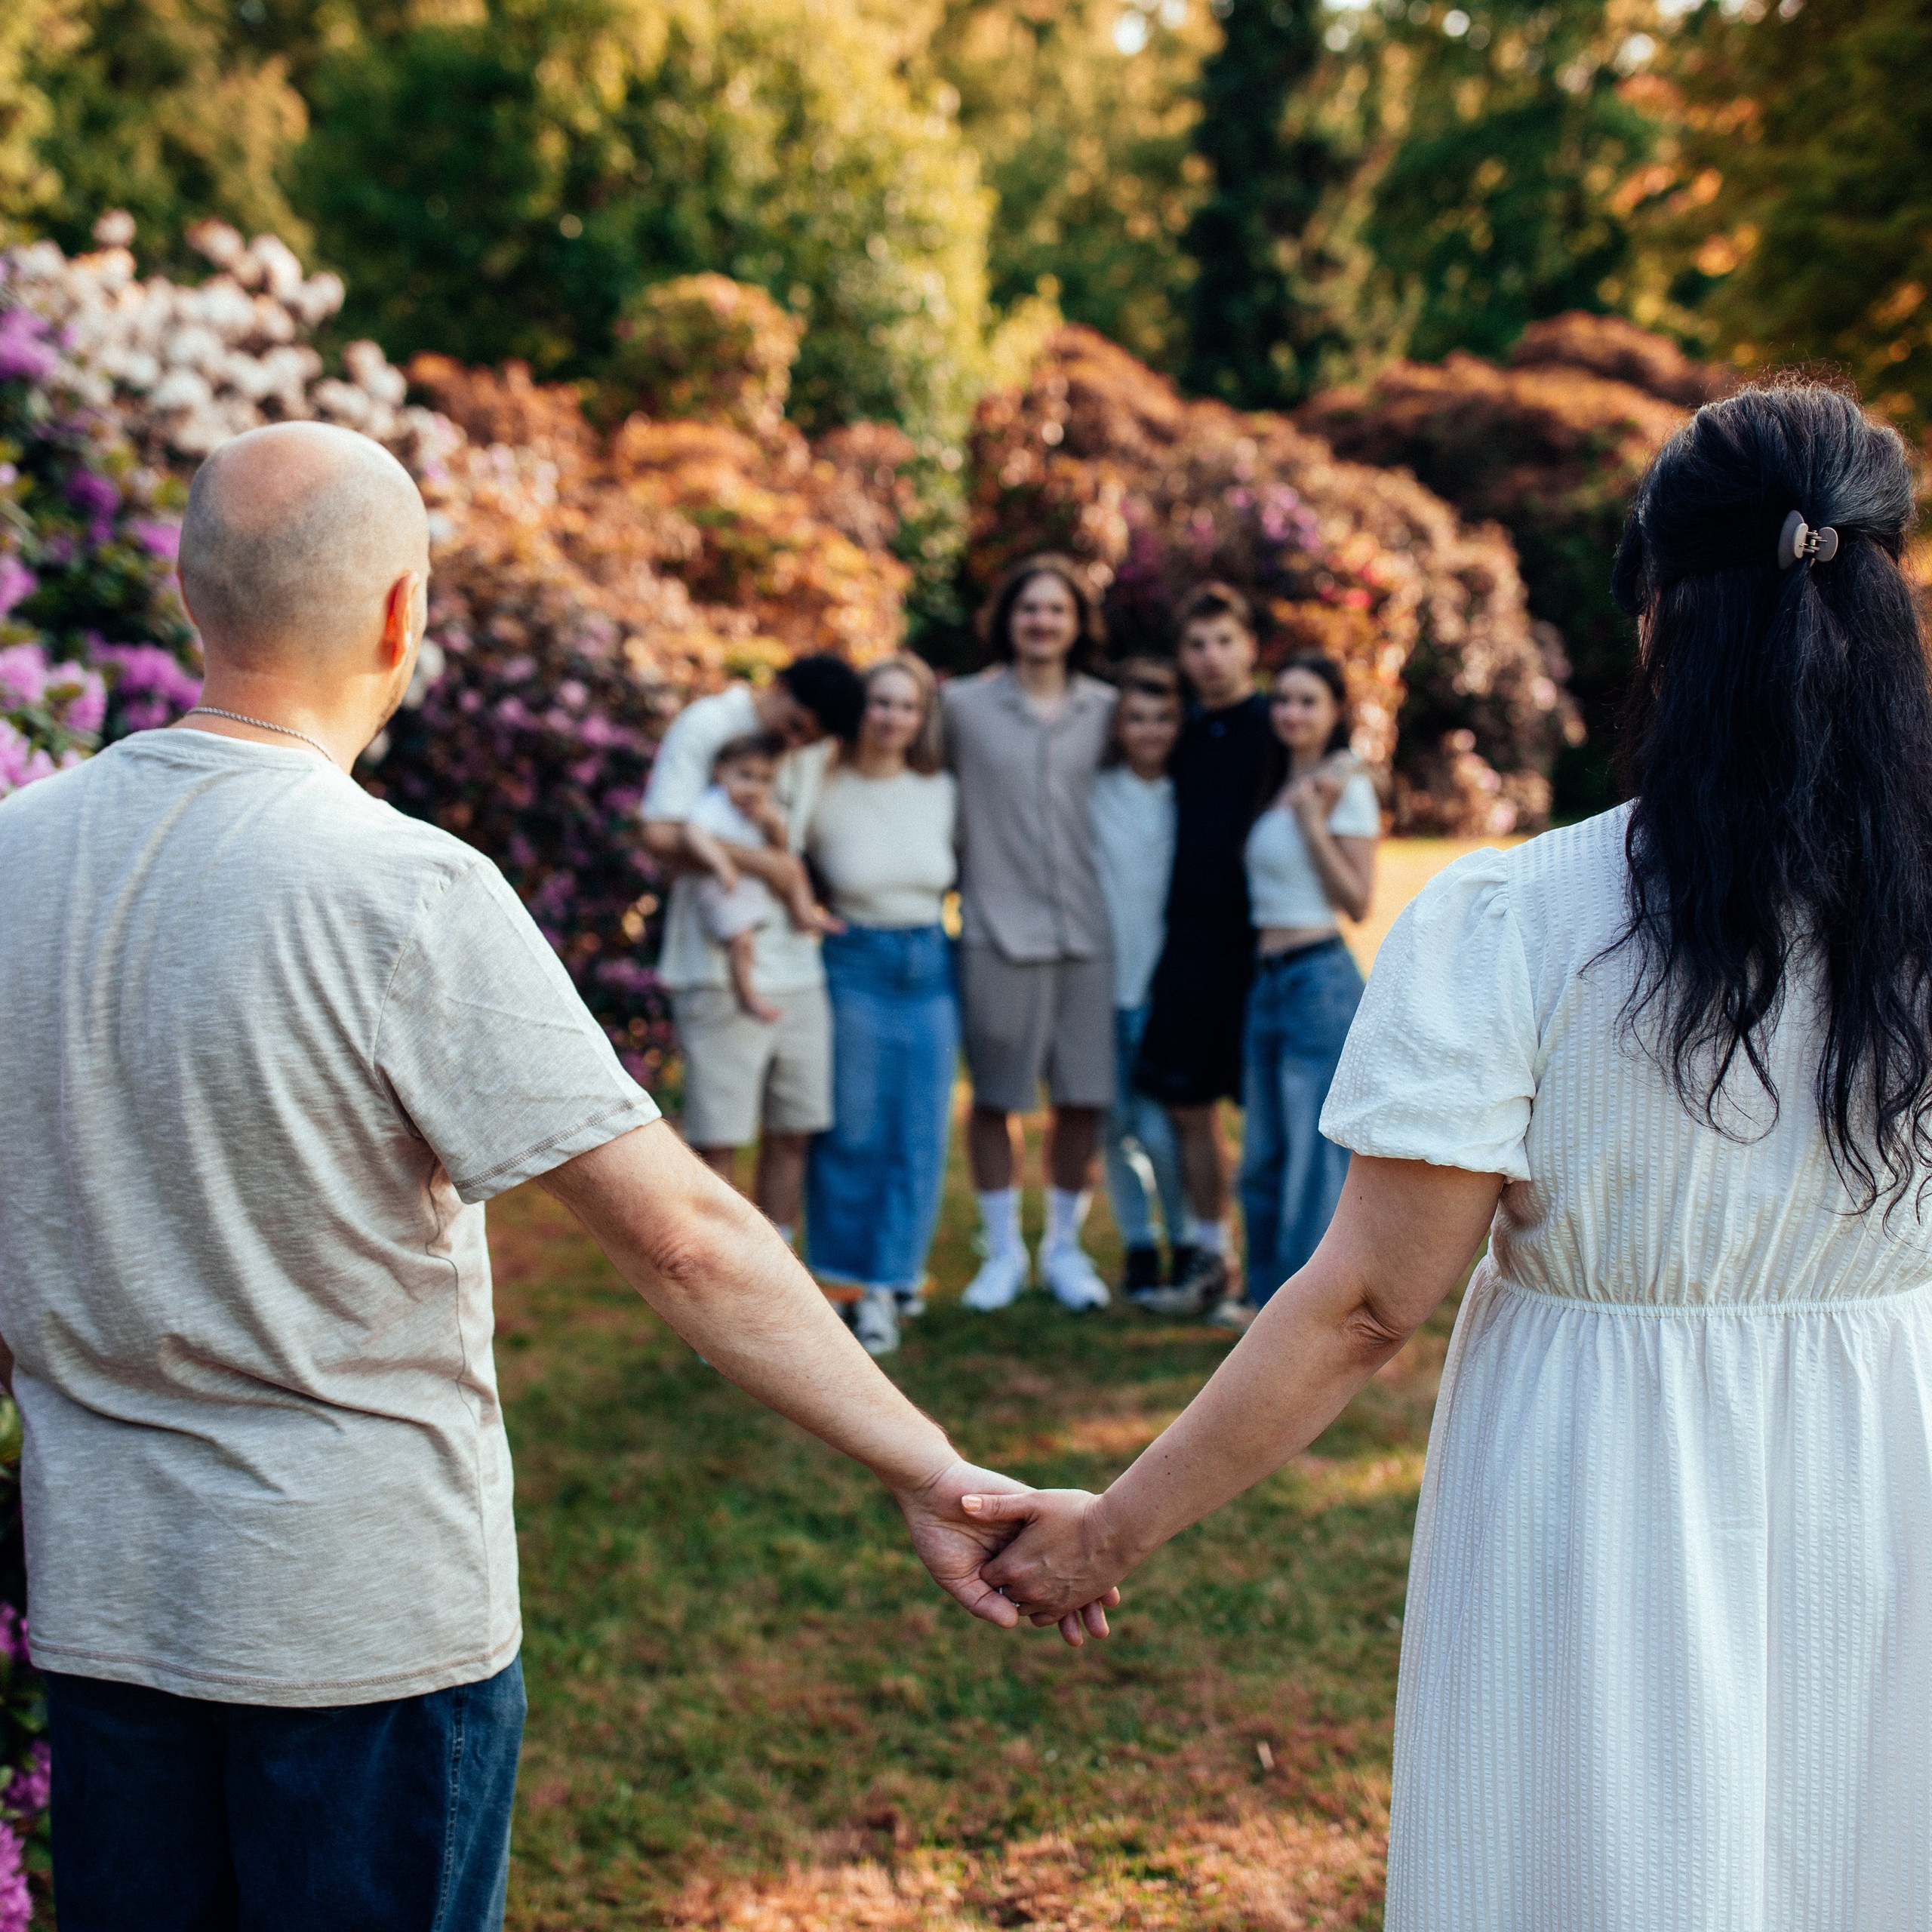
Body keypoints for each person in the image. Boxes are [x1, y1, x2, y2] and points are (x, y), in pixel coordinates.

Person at [0, 423, 1112, 1929]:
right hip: (361, 1630)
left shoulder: (18, 849)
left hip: (108, 1608)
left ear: (189, 599)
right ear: (404, 613)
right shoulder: (400, 888)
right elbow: (688, 1238)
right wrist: (929, 1469)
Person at [964, 383, 1932, 1931]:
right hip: (1893, 1451)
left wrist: (1106, 1533)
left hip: (1601, 1480)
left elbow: (1362, 1304)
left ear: (1655, 620)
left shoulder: (1523, 921)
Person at [639, 651, 866, 1244]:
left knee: (795, 1130)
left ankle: (779, 1277)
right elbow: (659, 830)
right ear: (779, 686)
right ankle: (718, 1290)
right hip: (715, 967)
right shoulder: (708, 724)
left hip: (798, 967)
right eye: (794, 727)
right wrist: (771, 866)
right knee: (719, 1140)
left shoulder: (812, 748)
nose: (796, 744)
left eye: (811, 738)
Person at [943, 554, 1118, 1313]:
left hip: (1090, 930)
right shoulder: (961, 707)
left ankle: (1064, 1247)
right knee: (995, 1097)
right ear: (1006, 619)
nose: (1042, 621)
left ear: (1077, 623)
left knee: (1083, 1098)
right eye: (1029, 608)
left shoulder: (1110, 710)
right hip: (995, 928)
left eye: (1057, 609)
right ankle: (1003, 1248)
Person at [805, 654, 960, 1358]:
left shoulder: (941, 789)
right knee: (854, 1126)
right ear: (860, 708)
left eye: (907, 706)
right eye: (880, 702)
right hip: (853, 961)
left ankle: (893, 1281)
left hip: (929, 963)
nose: (892, 717)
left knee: (919, 1132)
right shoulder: (819, 781)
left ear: (922, 717)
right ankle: (840, 1283)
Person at [1133, 583, 1272, 1316]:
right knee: (1188, 1108)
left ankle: (1270, 1270)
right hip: (1186, 948)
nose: (1211, 657)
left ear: (1248, 645)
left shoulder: (1275, 727)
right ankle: (1208, 1258)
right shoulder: (1180, 731)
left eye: (1223, 641)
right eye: (1196, 644)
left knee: (1265, 1118)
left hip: (1260, 950)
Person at [1232, 657, 1379, 1324]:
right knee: (1262, 1153)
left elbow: (1356, 900)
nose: (1292, 713)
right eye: (1283, 699)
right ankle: (1264, 1300)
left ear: (1334, 710)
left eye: (1308, 701)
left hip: (1318, 978)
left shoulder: (1343, 789)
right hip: (1265, 984)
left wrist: (1313, 825)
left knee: (1312, 1163)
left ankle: (1300, 1317)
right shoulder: (1277, 778)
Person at [1090, 657, 1194, 1299]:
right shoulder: (1096, 791)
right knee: (1113, 1126)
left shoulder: (1184, 796)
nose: (1149, 731)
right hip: (1101, 986)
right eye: (1136, 719)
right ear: (1118, 726)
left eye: (1162, 718)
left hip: (1162, 989)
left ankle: (1183, 1238)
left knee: (1159, 1130)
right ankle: (1136, 1244)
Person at [682, 731, 791, 1024]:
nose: (754, 787)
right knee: (742, 942)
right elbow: (693, 832)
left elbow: (780, 846)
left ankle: (804, 913)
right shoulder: (714, 804)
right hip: (721, 885)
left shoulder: (759, 809)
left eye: (764, 779)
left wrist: (771, 821)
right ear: (721, 773)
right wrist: (721, 863)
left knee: (747, 942)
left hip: (746, 886)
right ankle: (747, 997)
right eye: (745, 776)